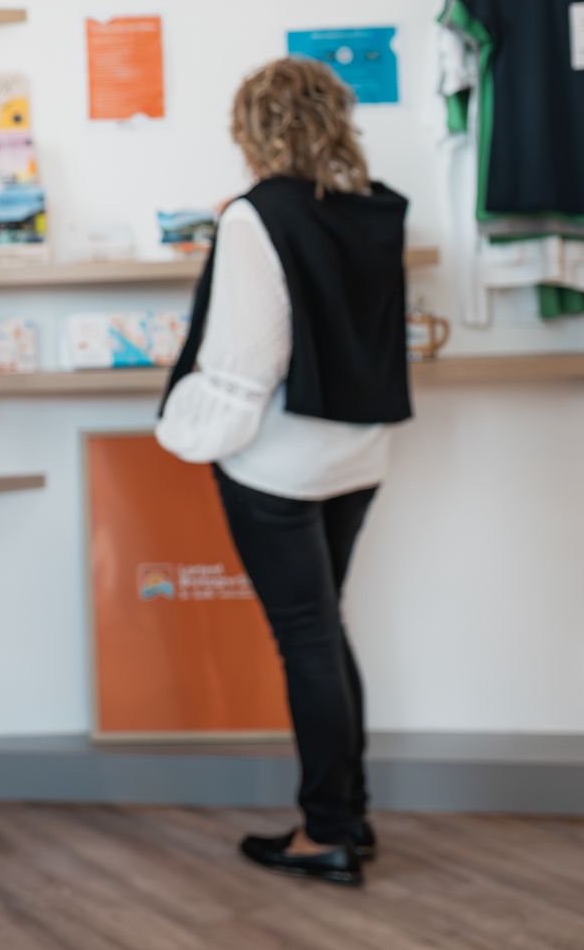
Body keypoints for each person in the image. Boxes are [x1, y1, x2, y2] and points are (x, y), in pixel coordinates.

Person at [157, 56, 411, 888]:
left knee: (306, 636)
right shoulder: (374, 211)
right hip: (361, 452)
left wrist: (187, 427)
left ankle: (328, 830)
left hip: (278, 461)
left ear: (252, 129)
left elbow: (244, 361)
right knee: (324, 627)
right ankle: (353, 812)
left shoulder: (254, 216)